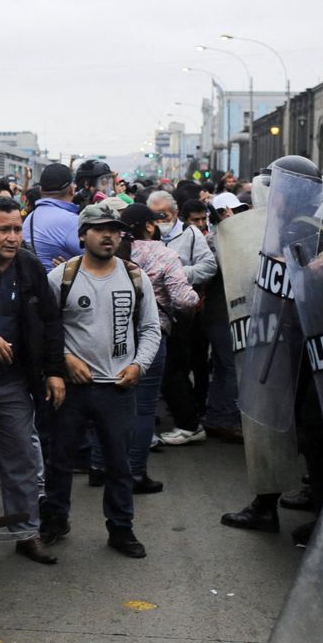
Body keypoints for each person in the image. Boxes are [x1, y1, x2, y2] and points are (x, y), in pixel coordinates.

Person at [41, 204, 161, 558]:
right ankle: (55, 520)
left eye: (114, 229)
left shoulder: (135, 277)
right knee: (60, 459)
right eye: (99, 229)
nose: (108, 235)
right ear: (82, 236)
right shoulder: (60, 278)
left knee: (119, 463)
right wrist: (64, 360)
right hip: (73, 388)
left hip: (119, 387)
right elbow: (45, 330)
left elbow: (151, 328)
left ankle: (121, 529)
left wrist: (139, 365)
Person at [0, 196, 67, 564]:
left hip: (12, 379)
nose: (12, 237)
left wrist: (54, 370)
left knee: (21, 456)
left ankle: (27, 532)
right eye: (4, 229)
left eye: (17, 229)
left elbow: (51, 320)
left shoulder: (28, 265)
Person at [116, 203, 198, 489]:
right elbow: (185, 299)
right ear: (150, 226)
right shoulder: (164, 254)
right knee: (144, 407)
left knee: (111, 403)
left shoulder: (111, 254)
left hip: (113, 336)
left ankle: (100, 465)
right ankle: (136, 472)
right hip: (152, 337)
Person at [147, 189, 217, 446]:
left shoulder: (190, 234)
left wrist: (175, 274)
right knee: (164, 369)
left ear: (175, 213)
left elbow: (209, 266)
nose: (157, 220)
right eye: (152, 215)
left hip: (183, 314)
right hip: (153, 315)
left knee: (176, 368)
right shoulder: (147, 237)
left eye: (162, 215)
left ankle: (189, 422)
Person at [22, 163, 80, 269]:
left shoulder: (29, 218)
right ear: (72, 189)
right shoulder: (71, 221)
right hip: (59, 284)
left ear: (40, 190)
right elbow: (99, 259)